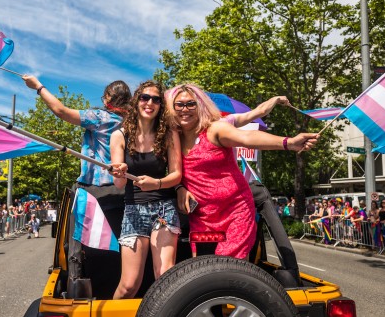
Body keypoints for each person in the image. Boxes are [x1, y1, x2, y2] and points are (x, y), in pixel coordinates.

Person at [165, 84, 318, 258]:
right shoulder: (173, 137)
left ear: (200, 106)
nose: (185, 109)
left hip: (234, 212)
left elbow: (247, 137)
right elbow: (172, 171)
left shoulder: (216, 128)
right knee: (204, 272)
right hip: (202, 217)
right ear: (172, 108)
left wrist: (288, 143)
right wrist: (179, 188)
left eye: (191, 104)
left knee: (227, 269)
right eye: (179, 104)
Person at [23, 74, 132, 298]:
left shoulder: (101, 117)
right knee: (121, 247)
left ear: (109, 98)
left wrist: (39, 87)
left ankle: (84, 291)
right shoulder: (133, 122)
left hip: (96, 191)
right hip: (124, 189)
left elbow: (62, 112)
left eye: (105, 96)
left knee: (86, 247)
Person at [109, 80, 182, 299]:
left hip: (164, 210)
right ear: (137, 101)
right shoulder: (119, 136)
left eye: (156, 99)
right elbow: (119, 184)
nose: (150, 103)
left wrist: (156, 183)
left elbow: (177, 174)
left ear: (161, 105)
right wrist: (119, 172)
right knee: (129, 285)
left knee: (165, 278)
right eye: (145, 98)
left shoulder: (168, 134)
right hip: (134, 210)